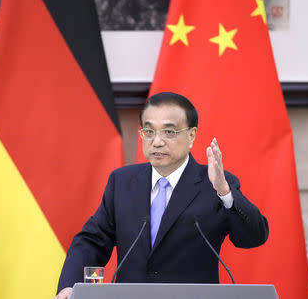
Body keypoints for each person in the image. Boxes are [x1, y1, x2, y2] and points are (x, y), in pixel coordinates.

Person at [55, 92, 269, 299]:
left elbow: (252, 238)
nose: (156, 141)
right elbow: (92, 241)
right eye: (149, 132)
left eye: (169, 132)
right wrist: (70, 286)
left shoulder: (216, 183)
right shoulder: (122, 182)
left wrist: (225, 192)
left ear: (191, 135)